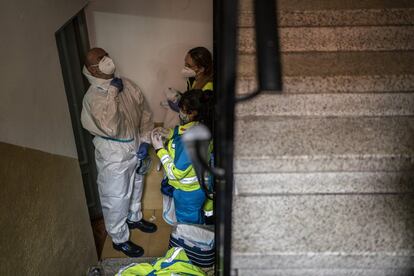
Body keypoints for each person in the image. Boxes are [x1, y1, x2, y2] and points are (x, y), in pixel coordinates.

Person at [81, 47, 157, 258]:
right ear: (92, 69)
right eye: (100, 59)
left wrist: (145, 140)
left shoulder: (128, 85)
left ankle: (134, 217)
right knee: (116, 195)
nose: (107, 60)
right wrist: (112, 92)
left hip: (135, 144)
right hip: (113, 152)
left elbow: (144, 113)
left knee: (136, 185)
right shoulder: (94, 96)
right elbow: (111, 127)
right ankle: (119, 238)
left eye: (106, 55)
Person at [152, 89, 213, 225]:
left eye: (183, 110)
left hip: (188, 193)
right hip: (199, 186)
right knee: (197, 217)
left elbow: (176, 173)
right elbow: (186, 129)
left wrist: (159, 150)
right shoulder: (205, 125)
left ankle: (191, 245)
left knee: (189, 226)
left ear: (192, 113)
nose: (180, 113)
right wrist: (171, 133)